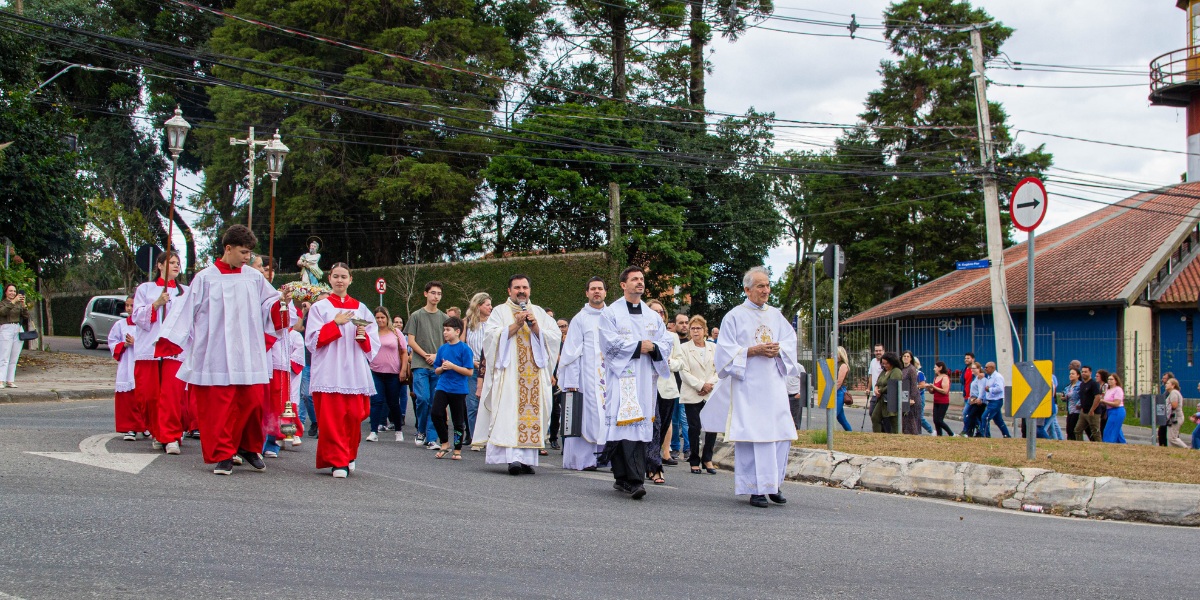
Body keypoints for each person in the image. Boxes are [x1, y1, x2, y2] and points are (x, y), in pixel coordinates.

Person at [155, 225, 282, 475]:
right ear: (228, 248)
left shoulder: (254, 277)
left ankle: (247, 447)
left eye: (250, 253)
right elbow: (185, 310)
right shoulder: (205, 277)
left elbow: (269, 302)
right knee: (219, 408)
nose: (248, 257)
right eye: (243, 252)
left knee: (253, 403)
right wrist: (171, 340)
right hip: (216, 352)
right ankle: (224, 455)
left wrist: (281, 304)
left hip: (247, 351)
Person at [700, 267, 799, 508]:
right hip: (749, 389)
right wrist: (752, 351)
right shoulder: (734, 316)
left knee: (780, 436)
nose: (766, 290)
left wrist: (779, 350)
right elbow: (724, 354)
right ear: (747, 289)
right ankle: (755, 488)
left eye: (767, 285)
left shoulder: (776, 315)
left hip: (774, 386)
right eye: (760, 286)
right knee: (755, 438)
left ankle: (773, 485)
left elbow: (790, 341)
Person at [472, 274, 561, 475]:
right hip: (509, 376)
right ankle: (513, 458)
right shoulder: (499, 311)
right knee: (510, 414)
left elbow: (555, 336)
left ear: (530, 290)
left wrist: (535, 327)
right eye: (517, 287)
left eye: (524, 287)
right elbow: (490, 338)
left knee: (531, 416)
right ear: (509, 291)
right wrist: (515, 326)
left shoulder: (539, 312)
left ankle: (527, 460)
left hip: (534, 376)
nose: (521, 291)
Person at [600, 266, 673, 499]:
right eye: (634, 279)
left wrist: (654, 347)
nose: (639, 282)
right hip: (622, 377)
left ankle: (626, 478)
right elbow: (607, 343)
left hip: (645, 380)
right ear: (623, 285)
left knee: (639, 427)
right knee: (623, 425)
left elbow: (666, 342)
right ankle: (632, 480)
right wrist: (636, 346)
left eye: (641, 279)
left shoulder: (653, 316)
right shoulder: (610, 313)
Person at [307, 263, 380, 478]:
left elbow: (373, 341)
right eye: (336, 276)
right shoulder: (320, 308)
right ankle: (338, 461)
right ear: (329, 278)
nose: (340, 280)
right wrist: (335, 323)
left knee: (355, 415)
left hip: (354, 369)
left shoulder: (361, 308)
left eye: (344, 277)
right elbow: (312, 341)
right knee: (333, 418)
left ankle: (348, 454)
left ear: (350, 279)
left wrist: (362, 336)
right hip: (330, 369)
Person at [133, 251, 190, 455]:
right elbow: (136, 317)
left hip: (175, 349)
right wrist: (156, 304)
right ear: (159, 265)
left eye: (178, 263)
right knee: (149, 396)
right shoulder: (145, 289)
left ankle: (171, 436)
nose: (176, 266)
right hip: (149, 349)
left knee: (171, 395)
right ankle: (157, 432)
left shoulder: (185, 292)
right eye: (171, 262)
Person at [559, 277, 609, 471]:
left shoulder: (612, 316)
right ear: (587, 293)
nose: (596, 292)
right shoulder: (580, 319)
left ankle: (606, 457)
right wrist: (572, 382)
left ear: (605, 292)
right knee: (585, 417)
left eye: (600, 288)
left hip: (609, 377)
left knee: (607, 416)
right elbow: (571, 353)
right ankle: (583, 460)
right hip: (586, 379)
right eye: (593, 289)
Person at [406, 281, 447, 449]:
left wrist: (436, 356)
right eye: (433, 293)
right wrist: (425, 355)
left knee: (434, 403)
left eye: (439, 294)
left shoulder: (444, 318)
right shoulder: (416, 315)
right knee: (423, 398)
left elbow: (449, 341)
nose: (436, 296)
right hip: (420, 364)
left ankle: (431, 437)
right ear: (426, 294)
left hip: (437, 366)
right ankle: (421, 430)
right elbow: (411, 340)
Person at [677, 314, 718, 474]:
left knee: (712, 427)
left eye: (698, 328)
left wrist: (709, 385)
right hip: (693, 392)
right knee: (694, 427)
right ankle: (694, 460)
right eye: (692, 328)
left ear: (705, 330)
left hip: (711, 392)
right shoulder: (684, 348)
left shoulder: (713, 348)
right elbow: (684, 372)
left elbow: (719, 369)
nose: (695, 331)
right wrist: (700, 385)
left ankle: (707, 459)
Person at [646, 300, 681, 484]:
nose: (659, 315)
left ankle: (650, 462)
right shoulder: (642, 335)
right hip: (648, 387)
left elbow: (680, 362)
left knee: (662, 426)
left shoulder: (672, 337)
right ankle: (655, 467)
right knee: (655, 425)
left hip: (667, 389)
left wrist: (668, 363)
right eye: (654, 312)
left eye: (661, 312)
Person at [431, 316, 473, 460]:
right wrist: (442, 368)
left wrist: (453, 366)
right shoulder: (442, 348)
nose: (445, 333)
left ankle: (457, 448)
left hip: (458, 389)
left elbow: (469, 371)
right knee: (436, 413)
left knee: (457, 421)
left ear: (457, 331)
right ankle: (444, 443)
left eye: (448, 330)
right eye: (444, 330)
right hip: (443, 386)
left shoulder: (465, 349)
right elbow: (436, 369)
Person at [367, 306, 408, 443]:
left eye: (382, 317)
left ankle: (398, 430)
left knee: (393, 402)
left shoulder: (396, 332)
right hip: (376, 371)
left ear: (387, 318)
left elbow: (404, 352)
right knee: (376, 401)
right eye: (377, 318)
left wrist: (403, 370)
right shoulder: (372, 332)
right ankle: (373, 431)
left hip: (393, 373)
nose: (380, 320)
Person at [109, 296, 141, 440]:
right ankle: (130, 427)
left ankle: (145, 426)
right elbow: (112, 342)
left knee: (142, 397)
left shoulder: (145, 325)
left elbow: (152, 343)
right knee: (128, 398)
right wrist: (124, 345)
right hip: (127, 364)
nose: (129, 308)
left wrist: (136, 342)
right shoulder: (120, 325)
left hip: (140, 363)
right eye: (127, 305)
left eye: (132, 305)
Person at [463, 292, 492, 447]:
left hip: (490, 370)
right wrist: (472, 362)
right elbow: (462, 345)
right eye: (487, 305)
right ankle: (476, 438)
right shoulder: (467, 323)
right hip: (473, 368)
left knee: (489, 405)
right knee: (472, 405)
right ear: (478, 306)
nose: (490, 307)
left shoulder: (494, 323)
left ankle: (490, 438)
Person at [545, 318, 570, 454]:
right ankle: (552, 437)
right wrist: (551, 374)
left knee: (565, 411)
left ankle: (565, 443)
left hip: (567, 380)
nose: (561, 329)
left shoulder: (571, 340)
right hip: (554, 378)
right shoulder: (552, 340)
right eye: (558, 326)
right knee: (553, 409)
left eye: (564, 326)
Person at [669, 312, 691, 461]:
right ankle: (675, 448)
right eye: (681, 323)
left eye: (686, 322)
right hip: (673, 385)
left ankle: (688, 448)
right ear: (675, 325)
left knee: (686, 419)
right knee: (674, 420)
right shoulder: (671, 341)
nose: (684, 325)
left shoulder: (691, 343)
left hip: (688, 387)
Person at [0, 284, 29, 389]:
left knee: (14, 357)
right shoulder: (2, 303)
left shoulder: (18, 304)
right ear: (6, 292)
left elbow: (26, 316)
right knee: (4, 356)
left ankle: (10, 380)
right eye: (10, 291)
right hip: (6, 329)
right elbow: (2, 312)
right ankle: (1, 380)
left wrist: (23, 304)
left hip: (17, 329)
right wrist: (13, 302)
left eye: (14, 291)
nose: (12, 293)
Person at [870, 353, 904, 434]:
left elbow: (892, 385)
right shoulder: (884, 371)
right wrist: (876, 388)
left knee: (894, 421)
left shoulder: (896, 371)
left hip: (892, 400)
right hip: (882, 399)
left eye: (886, 363)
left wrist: (880, 391)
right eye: (883, 363)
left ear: (892, 362)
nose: (884, 365)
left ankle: (896, 437)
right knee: (875, 417)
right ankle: (877, 436)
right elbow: (878, 382)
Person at [977, 362, 1011, 438]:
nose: (985, 369)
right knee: (998, 420)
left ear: (992, 368)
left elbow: (1000, 388)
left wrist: (990, 389)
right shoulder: (989, 376)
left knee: (985, 417)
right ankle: (1006, 435)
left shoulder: (997, 377)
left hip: (996, 401)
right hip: (991, 401)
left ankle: (986, 435)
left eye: (987, 367)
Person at [1093, 372, 1126, 444]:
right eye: (1108, 379)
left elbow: (1117, 403)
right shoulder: (1108, 390)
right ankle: (1122, 443)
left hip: (1117, 411)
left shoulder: (1118, 389)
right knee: (1117, 431)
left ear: (1116, 381)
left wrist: (1103, 401)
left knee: (1109, 430)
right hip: (1109, 411)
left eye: (1111, 379)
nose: (1109, 381)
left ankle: (1108, 443)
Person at [924, 361, 954, 436]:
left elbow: (945, 391)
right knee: (935, 420)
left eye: (935, 367)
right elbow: (933, 391)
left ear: (940, 368)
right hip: (936, 401)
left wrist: (934, 387)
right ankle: (939, 435)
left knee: (939, 420)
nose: (934, 369)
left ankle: (951, 433)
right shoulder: (936, 378)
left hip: (943, 402)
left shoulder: (945, 377)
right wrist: (929, 388)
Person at [1074, 366, 1102, 441]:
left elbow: (1097, 397)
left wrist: (1092, 410)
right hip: (1083, 411)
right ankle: (1080, 445)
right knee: (1077, 430)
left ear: (1090, 373)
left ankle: (1099, 445)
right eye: (1082, 372)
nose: (1083, 373)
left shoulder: (1094, 384)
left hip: (1093, 412)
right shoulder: (1082, 384)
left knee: (1095, 431)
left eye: (1086, 372)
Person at [1160, 378, 1187, 448]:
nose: (1166, 385)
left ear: (1173, 385)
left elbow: (1174, 405)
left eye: (1168, 383)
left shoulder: (1173, 393)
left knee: (1172, 438)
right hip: (1173, 417)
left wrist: (1167, 406)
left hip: (1176, 417)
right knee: (1170, 438)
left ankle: (1186, 448)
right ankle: (1173, 451)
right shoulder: (1173, 393)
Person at [899, 351, 921, 435]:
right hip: (904, 395)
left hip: (911, 397)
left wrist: (912, 398)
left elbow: (913, 384)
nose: (906, 358)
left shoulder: (911, 369)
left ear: (911, 358)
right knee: (905, 419)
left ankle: (914, 435)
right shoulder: (902, 369)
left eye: (908, 356)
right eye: (904, 356)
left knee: (911, 419)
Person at [962, 362, 985, 437]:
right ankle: (972, 431)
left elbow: (981, 389)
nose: (972, 370)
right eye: (971, 368)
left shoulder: (980, 378)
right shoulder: (975, 378)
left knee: (972, 416)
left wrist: (979, 398)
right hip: (972, 399)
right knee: (970, 415)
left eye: (974, 368)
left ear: (978, 369)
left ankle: (973, 432)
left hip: (977, 400)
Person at [833, 346, 853, 432]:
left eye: (834, 353)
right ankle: (850, 432)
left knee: (833, 414)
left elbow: (839, 382)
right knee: (841, 417)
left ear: (840, 354)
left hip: (839, 391)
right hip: (836, 390)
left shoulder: (843, 365)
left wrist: (832, 392)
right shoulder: (835, 364)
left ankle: (830, 434)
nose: (832, 354)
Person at [1063, 363, 1082, 440]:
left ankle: (1075, 441)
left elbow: (1083, 396)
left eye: (1073, 374)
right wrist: (1064, 398)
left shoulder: (1080, 385)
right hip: (1070, 409)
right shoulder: (1068, 387)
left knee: (1073, 428)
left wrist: (1079, 404)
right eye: (1070, 374)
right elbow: (1066, 396)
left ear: (1078, 375)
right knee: (1068, 429)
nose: (1071, 375)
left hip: (1077, 410)